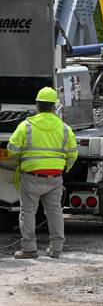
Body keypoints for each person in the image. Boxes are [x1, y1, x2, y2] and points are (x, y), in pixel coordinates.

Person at [7, 87, 77, 259]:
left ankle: (29, 250)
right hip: (55, 177)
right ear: (54, 107)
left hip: (31, 177)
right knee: (54, 212)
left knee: (28, 212)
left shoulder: (26, 126)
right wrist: (63, 168)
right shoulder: (65, 129)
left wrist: (19, 161)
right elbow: (73, 153)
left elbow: (12, 149)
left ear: (37, 106)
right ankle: (56, 249)